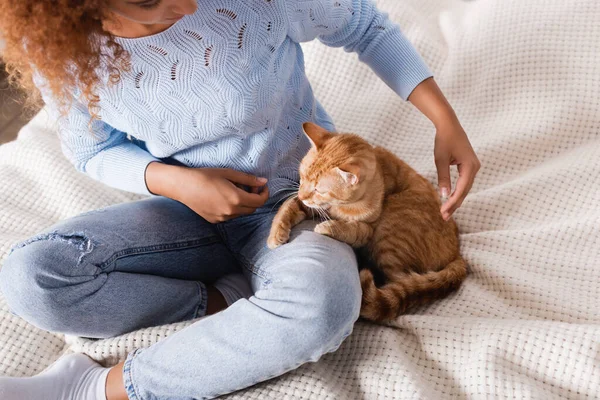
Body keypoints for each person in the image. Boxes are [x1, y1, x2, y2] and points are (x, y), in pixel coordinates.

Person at [0, 0, 480, 399]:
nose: (187, 6)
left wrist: (444, 120)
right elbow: (93, 150)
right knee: (30, 278)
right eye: (151, 2)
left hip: (296, 206)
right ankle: (221, 298)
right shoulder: (65, 52)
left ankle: (93, 389)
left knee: (324, 305)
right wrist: (175, 182)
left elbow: (363, 24)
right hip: (185, 211)